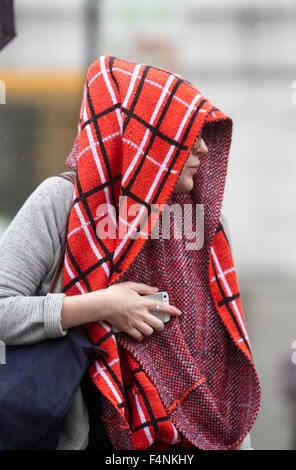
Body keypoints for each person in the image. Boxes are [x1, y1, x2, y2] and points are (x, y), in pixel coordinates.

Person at [0, 55, 260, 450]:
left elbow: (220, 364)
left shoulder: (206, 224)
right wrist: (101, 305)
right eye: (190, 136)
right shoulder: (62, 204)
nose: (205, 149)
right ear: (146, 138)